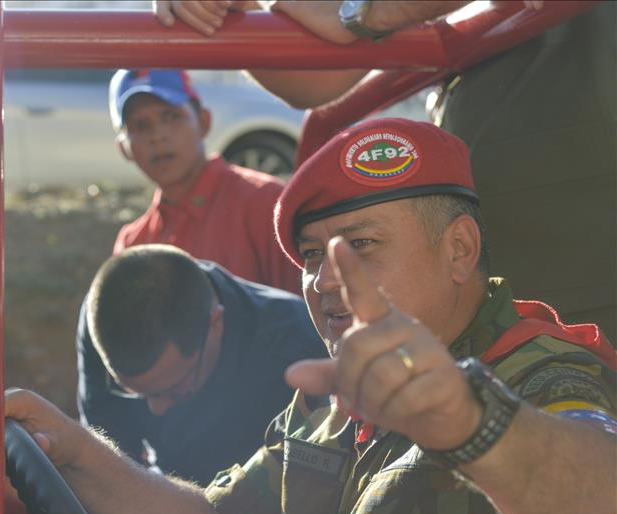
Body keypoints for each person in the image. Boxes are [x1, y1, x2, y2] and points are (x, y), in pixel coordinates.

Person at [7, 117, 616, 514]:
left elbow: (604, 507)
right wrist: (74, 452)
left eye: (361, 245)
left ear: (459, 250)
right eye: (309, 257)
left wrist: (469, 422)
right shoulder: (331, 397)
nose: (324, 280)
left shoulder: (539, 372)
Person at [153, 0, 617, 341]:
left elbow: (357, 19)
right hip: (491, 253)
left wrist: (371, 14)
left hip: (581, 212)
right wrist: (225, 9)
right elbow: (317, 74)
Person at [77, 244, 327, 486]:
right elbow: (110, 464)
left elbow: (299, 497)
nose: (156, 409)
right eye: (132, 391)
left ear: (216, 324)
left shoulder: (298, 349)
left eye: (175, 389)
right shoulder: (102, 319)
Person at [108, 68, 298, 293]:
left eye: (171, 116)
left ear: (204, 121)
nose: (157, 136)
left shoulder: (267, 203)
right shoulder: (133, 244)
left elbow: (305, 316)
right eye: (140, 125)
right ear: (124, 148)